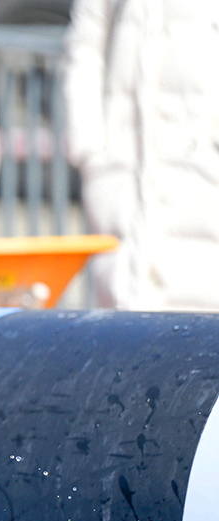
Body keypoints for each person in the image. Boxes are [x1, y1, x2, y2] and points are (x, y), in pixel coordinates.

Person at [63, 0, 219, 311]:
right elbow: (85, 47)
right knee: (129, 318)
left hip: (202, 173)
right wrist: (91, 151)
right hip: (124, 176)